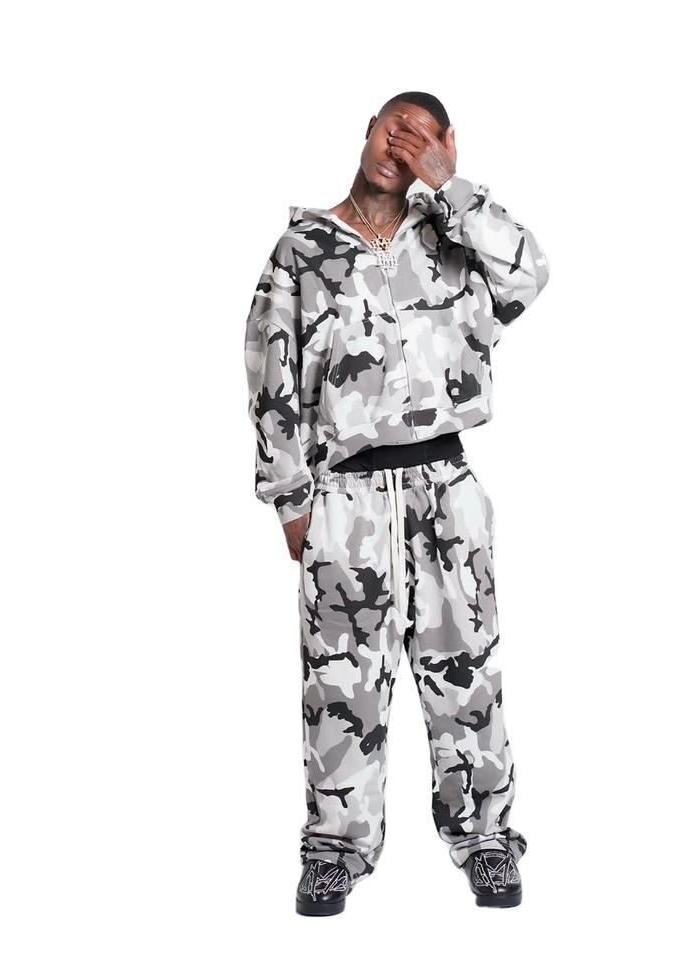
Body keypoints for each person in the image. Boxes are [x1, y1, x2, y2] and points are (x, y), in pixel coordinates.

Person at [243, 90, 550, 915]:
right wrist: (289, 500)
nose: (400, 145)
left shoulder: (455, 239)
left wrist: (451, 187)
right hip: (342, 497)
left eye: (419, 135)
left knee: (466, 671)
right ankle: (334, 849)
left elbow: (529, 273)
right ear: (366, 132)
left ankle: (485, 838)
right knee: (340, 682)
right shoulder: (303, 249)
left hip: (445, 487)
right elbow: (270, 378)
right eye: (391, 128)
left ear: (444, 144)